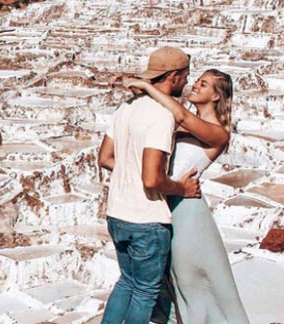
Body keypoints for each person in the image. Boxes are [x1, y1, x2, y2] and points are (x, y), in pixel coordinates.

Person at [123, 69, 250, 324]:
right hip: (168, 206)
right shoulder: (184, 124)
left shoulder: (218, 133)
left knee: (192, 279)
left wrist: (147, 87)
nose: (196, 86)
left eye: (204, 84)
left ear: (216, 96)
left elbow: (178, 113)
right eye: (197, 81)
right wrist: (140, 89)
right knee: (171, 278)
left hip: (188, 212)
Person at [98, 46, 201, 324]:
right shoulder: (161, 115)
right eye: (186, 76)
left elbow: (105, 158)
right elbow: (152, 178)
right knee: (145, 291)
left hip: (117, 213)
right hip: (146, 219)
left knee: (127, 282)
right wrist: (183, 188)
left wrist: (130, 171)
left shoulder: (126, 107)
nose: (187, 82)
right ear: (174, 77)